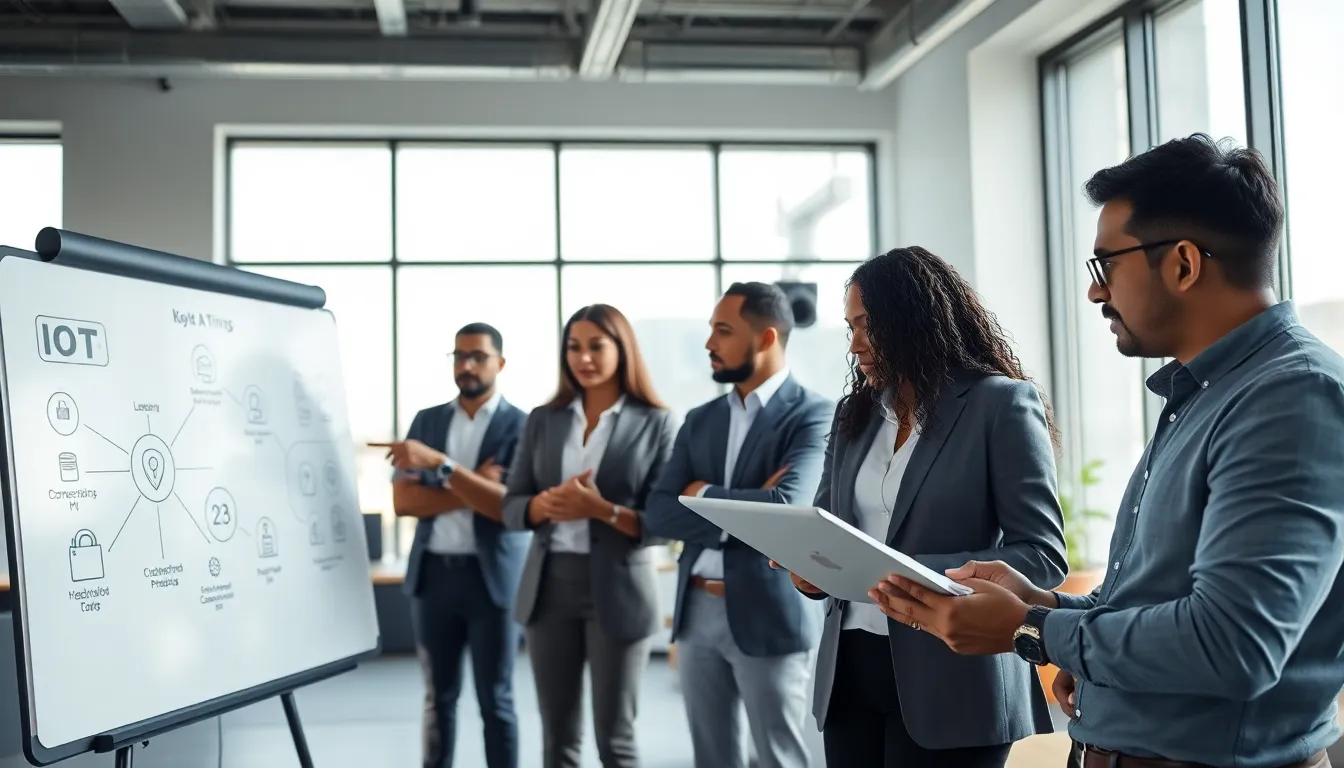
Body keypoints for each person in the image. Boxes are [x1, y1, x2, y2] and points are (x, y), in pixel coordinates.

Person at [872, 134, 1344, 768]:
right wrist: (1044, 606)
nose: (1095, 294)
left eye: (1106, 266)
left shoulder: (1291, 397)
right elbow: (1152, 597)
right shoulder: (1203, 392)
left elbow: (1235, 645)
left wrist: (1031, 631)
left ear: (1182, 263)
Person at [773, 247, 1068, 767]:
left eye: (867, 326)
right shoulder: (854, 416)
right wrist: (810, 568)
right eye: (850, 328)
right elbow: (829, 524)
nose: (855, 345)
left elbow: (1041, 556)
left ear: (913, 320)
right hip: (851, 670)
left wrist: (902, 572)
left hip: (953, 672)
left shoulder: (999, 404)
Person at [643, 282, 832, 768]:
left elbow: (787, 506)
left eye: (722, 331)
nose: (709, 343)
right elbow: (659, 511)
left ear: (766, 338)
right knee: (712, 758)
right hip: (696, 612)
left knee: (779, 757)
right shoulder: (700, 418)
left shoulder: (814, 413)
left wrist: (700, 495)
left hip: (769, 610)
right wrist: (750, 506)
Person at [500, 304, 678, 768]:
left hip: (618, 590)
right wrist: (541, 506)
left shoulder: (656, 421)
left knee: (614, 739)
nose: (584, 357)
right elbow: (512, 503)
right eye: (574, 347)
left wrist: (599, 510)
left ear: (622, 349)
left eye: (596, 346)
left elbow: (663, 522)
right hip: (549, 588)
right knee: (557, 739)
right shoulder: (544, 418)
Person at [373, 322, 530, 768]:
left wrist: (438, 468)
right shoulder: (427, 420)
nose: (466, 365)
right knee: (437, 700)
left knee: (495, 700)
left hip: (494, 581)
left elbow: (505, 509)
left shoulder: (522, 426)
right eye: (459, 356)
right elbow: (404, 501)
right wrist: (472, 482)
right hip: (434, 577)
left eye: (478, 356)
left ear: (500, 363)